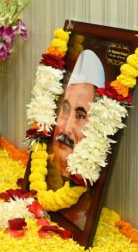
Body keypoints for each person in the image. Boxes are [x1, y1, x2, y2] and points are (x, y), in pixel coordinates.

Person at [47, 49, 105, 190]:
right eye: (65, 110)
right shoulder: (39, 168)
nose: (66, 129)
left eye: (80, 116)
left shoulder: (90, 192)